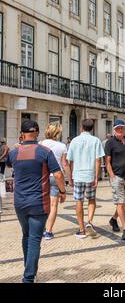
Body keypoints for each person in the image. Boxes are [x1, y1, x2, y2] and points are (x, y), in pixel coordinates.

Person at [6, 120, 66, 283]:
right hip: (39, 202)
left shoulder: (14, 153)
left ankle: (28, 270)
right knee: (34, 239)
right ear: (37, 133)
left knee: (26, 236)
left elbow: (10, 165)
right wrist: (62, 191)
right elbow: (58, 175)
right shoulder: (44, 151)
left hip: (19, 203)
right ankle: (29, 277)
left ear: (22, 134)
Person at [67, 119, 105, 238]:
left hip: (78, 175)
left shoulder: (74, 140)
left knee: (79, 201)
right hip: (90, 174)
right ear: (92, 128)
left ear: (81, 127)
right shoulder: (96, 140)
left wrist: (70, 177)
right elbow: (98, 160)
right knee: (91, 199)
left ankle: (82, 229)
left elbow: (70, 161)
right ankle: (89, 221)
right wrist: (96, 176)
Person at [40, 123, 73, 240]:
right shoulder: (62, 146)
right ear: (57, 133)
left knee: (42, 204)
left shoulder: (41, 144)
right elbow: (65, 164)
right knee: (53, 205)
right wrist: (69, 180)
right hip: (56, 176)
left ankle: (41, 228)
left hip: (42, 177)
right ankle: (48, 232)